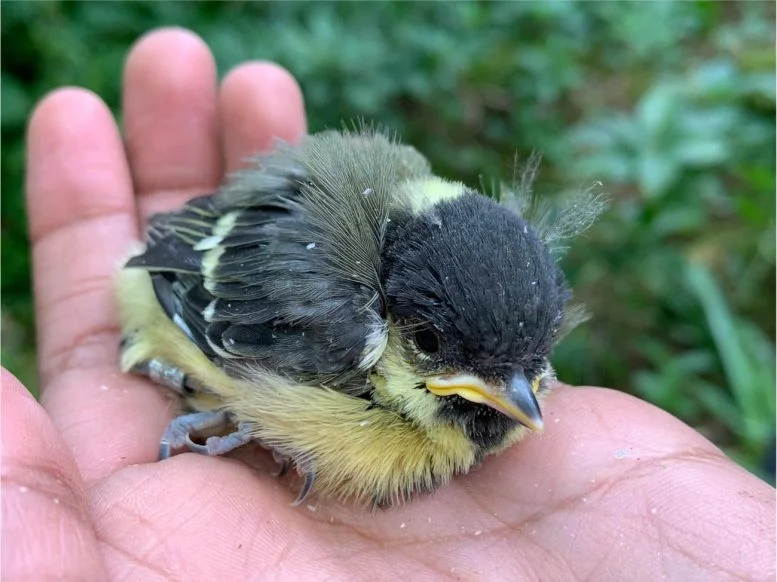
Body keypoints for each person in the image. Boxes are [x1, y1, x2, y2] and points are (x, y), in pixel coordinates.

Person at [4, 28, 774, 581]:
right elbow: (170, 269)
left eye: (528, 370)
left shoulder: (499, 347)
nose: (517, 399)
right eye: (435, 349)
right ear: (384, 316)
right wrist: (213, 401)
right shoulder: (323, 320)